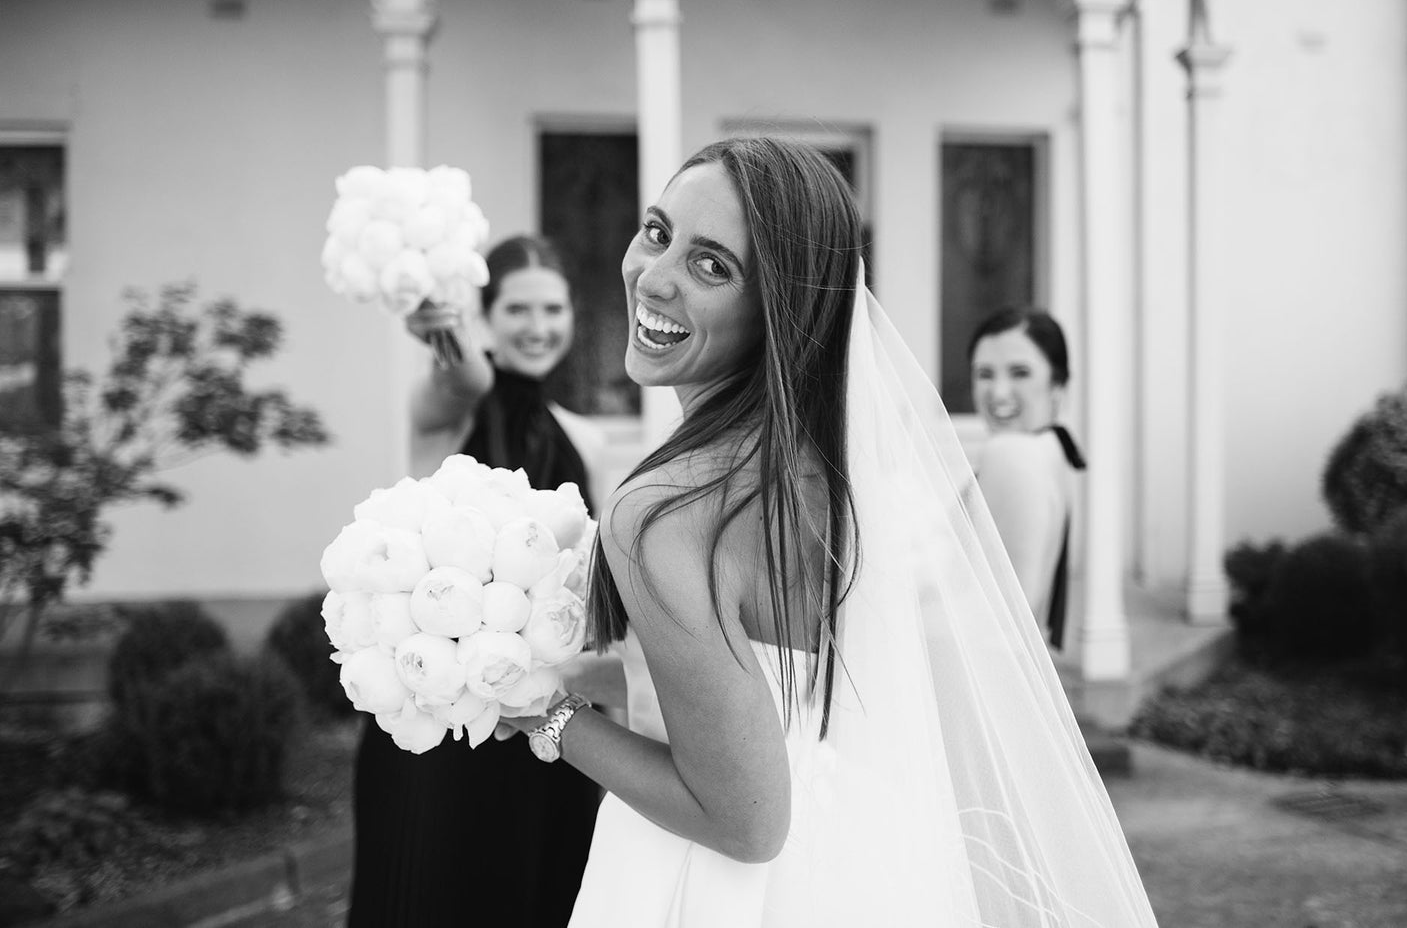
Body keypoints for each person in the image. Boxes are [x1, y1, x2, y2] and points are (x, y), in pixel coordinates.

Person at [505, 137, 1157, 927]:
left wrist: (541, 712)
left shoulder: (661, 510)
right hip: (854, 857)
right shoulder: (830, 474)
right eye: (656, 230)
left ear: (778, 305)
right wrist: (591, 677)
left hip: (714, 887)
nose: (655, 275)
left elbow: (746, 821)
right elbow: (775, 681)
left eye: (713, 266)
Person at [346, 234, 607, 928]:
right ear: (487, 317)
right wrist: (441, 320)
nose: (538, 325)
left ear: (573, 315)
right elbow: (467, 377)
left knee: (533, 888)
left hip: (537, 713)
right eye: (517, 308)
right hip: (440, 715)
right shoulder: (451, 409)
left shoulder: (589, 439)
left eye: (553, 307)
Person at [968, 308, 1086, 650]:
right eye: (984, 374)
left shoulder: (1012, 453)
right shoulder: (1052, 449)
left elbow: (1001, 618)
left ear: (1058, 383)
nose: (998, 393)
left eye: (1020, 372)